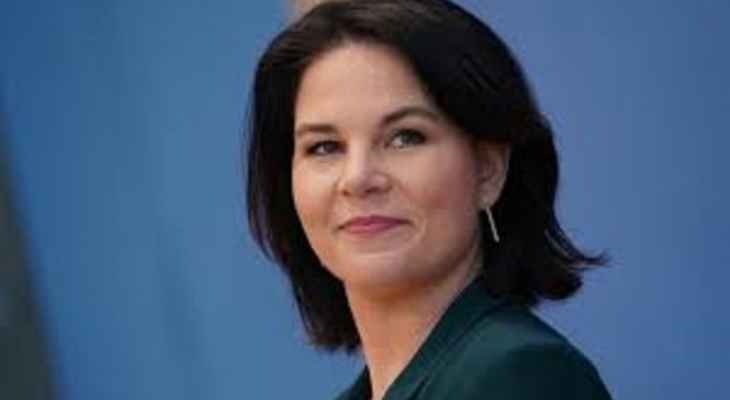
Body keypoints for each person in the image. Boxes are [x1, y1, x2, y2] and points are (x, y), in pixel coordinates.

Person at [246, 0, 612, 398]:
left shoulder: (521, 376)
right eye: (324, 147)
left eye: (405, 137)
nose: (358, 178)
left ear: (488, 170)